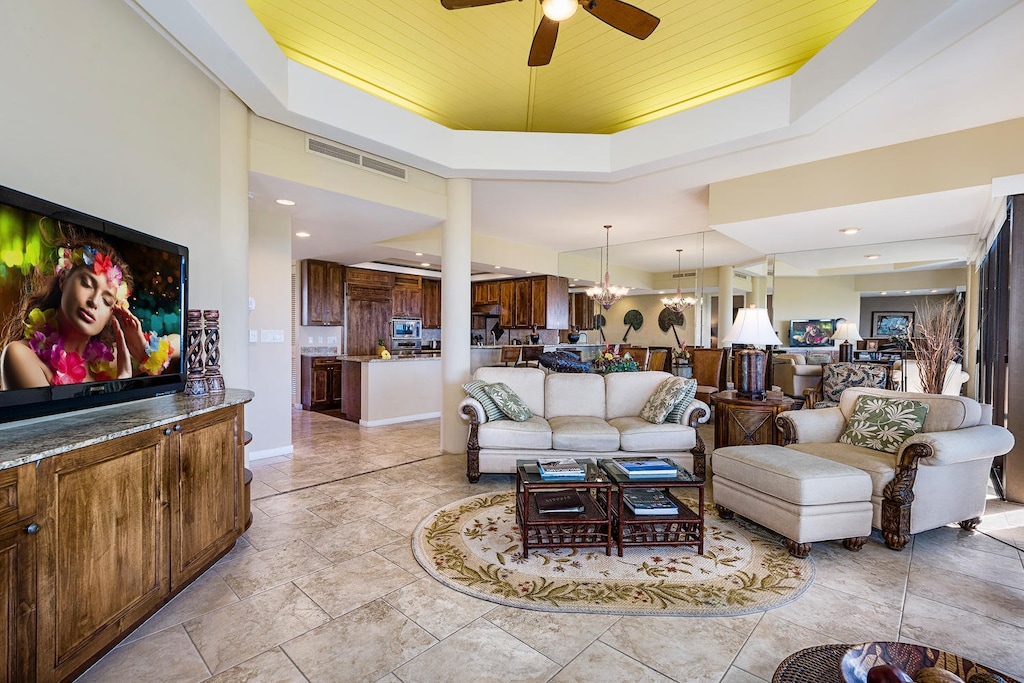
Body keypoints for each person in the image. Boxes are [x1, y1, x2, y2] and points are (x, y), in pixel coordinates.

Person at [1, 233, 179, 390]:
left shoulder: (110, 358)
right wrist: (120, 387)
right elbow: (54, 428)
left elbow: (181, 342)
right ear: (63, 280)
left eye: (106, 300)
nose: (94, 301)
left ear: (112, 312)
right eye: (86, 284)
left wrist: (144, 352)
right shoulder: (21, 356)